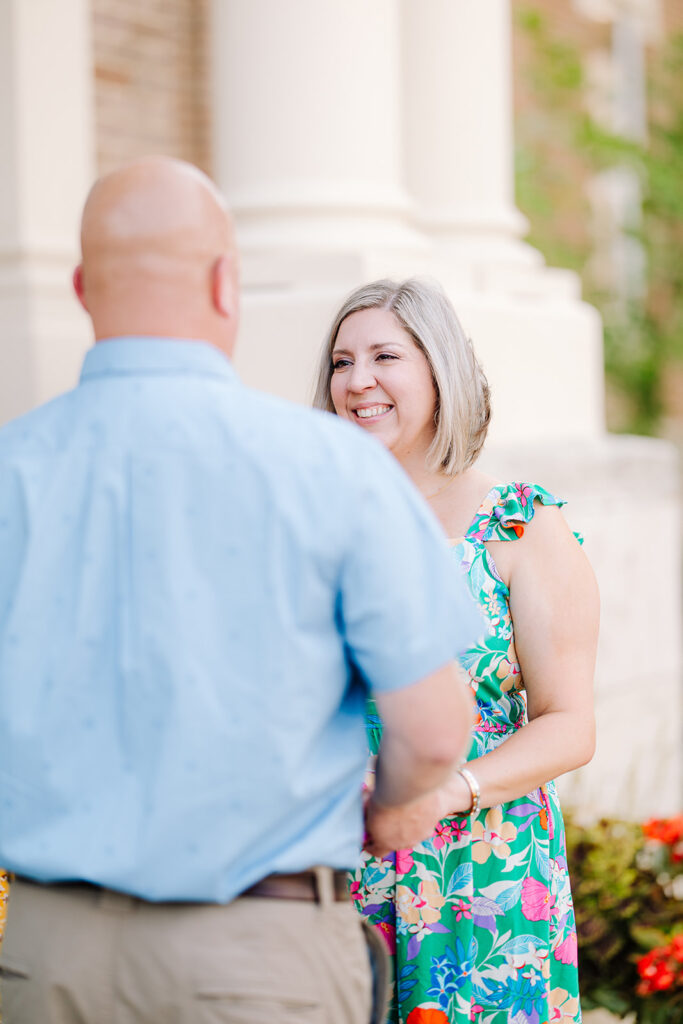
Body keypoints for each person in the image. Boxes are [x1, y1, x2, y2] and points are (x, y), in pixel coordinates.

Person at [0, 162, 482, 1024]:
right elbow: (437, 728)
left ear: (79, 289)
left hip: (45, 956)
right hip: (260, 958)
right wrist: (392, 811)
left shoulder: (11, 472)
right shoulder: (334, 468)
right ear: (227, 283)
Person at [313, 278, 600, 1024]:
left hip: (486, 878)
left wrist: (447, 792)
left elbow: (570, 724)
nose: (357, 380)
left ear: (441, 371)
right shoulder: (315, 524)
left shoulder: (519, 527)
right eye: (341, 362)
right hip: (339, 868)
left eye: (384, 356)